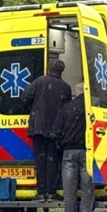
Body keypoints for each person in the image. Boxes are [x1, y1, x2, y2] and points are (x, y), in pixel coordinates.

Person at [23, 59, 71, 201]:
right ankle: (51, 192)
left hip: (38, 127)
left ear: (48, 69)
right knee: (53, 161)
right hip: (56, 130)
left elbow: (25, 97)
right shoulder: (66, 88)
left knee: (40, 160)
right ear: (61, 71)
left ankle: (40, 192)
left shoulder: (40, 81)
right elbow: (66, 109)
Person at [56, 83, 95, 212]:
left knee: (69, 192)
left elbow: (57, 130)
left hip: (68, 152)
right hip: (87, 151)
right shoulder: (92, 109)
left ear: (76, 93)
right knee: (87, 190)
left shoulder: (66, 108)